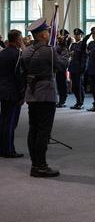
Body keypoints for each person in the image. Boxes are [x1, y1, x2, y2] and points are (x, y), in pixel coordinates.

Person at [21, 18, 69, 177]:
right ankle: (40, 166)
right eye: (47, 31)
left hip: (32, 93)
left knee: (33, 129)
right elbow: (62, 66)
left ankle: (35, 163)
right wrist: (64, 50)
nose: (49, 33)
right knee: (43, 131)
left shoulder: (27, 50)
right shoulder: (48, 50)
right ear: (42, 34)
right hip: (46, 94)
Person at [0, 29, 24, 158]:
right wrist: (22, 94)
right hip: (13, 92)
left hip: (3, 90)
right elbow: (19, 76)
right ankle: (8, 150)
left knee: (3, 121)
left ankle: (2, 148)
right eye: (21, 38)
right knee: (10, 123)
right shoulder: (17, 55)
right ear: (17, 39)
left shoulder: (2, 53)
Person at [69, 28, 89, 110]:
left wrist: (83, 67)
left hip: (79, 68)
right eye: (75, 35)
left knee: (79, 86)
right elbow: (70, 55)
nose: (76, 36)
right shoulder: (73, 45)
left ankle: (81, 102)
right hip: (72, 67)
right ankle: (77, 101)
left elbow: (85, 57)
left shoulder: (83, 44)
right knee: (74, 87)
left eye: (78, 35)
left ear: (81, 35)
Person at [55, 29, 70, 108]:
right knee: (58, 84)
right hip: (57, 67)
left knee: (62, 85)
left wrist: (63, 42)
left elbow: (64, 51)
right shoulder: (57, 43)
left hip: (62, 67)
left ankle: (62, 100)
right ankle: (60, 100)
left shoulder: (65, 44)